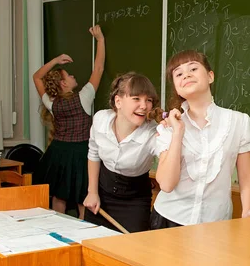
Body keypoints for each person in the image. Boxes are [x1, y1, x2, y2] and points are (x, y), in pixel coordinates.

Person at [152, 50, 250, 229]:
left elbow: (246, 176)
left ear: (210, 76)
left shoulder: (239, 121)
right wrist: (177, 133)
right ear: (176, 86)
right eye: (179, 73)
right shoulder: (170, 125)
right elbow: (166, 184)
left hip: (215, 223)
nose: (187, 75)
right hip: (168, 219)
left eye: (193, 68)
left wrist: (247, 211)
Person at [32, 25, 105, 218]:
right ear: (64, 84)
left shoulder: (51, 102)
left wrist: (55, 60)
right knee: (83, 198)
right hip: (82, 152)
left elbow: (36, 77)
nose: (73, 77)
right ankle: (83, 233)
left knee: (59, 197)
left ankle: (57, 232)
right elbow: (99, 68)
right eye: (69, 76)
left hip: (58, 152)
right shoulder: (84, 97)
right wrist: (100, 40)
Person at [83, 72, 161, 233]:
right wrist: (92, 192)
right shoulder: (101, 119)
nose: (144, 106)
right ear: (118, 101)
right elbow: (94, 153)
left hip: (135, 200)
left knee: (131, 251)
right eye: (136, 99)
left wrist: (173, 133)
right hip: (101, 193)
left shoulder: (154, 133)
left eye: (149, 100)